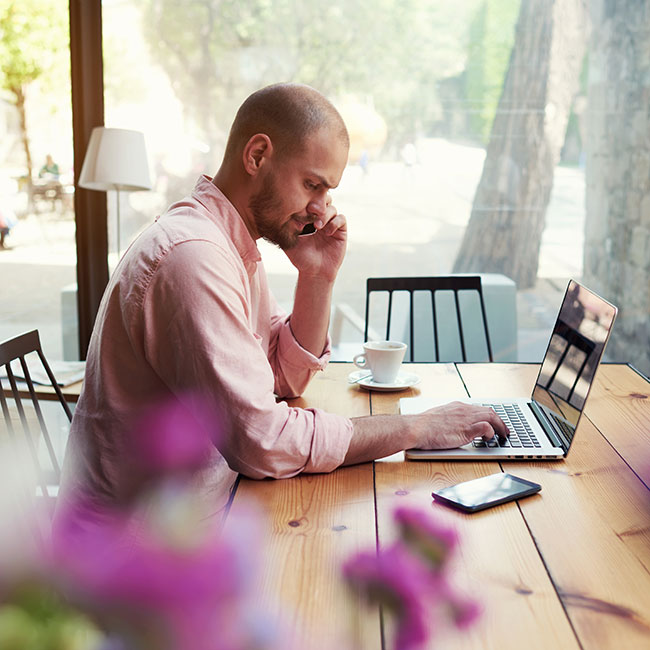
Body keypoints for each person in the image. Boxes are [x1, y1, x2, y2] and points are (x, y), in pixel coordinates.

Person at [57, 83, 506, 517]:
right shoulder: (194, 258)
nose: (322, 208)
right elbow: (261, 440)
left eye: (328, 191)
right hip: (130, 565)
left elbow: (280, 378)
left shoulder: (229, 246)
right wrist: (417, 428)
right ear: (257, 156)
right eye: (313, 184)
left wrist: (316, 276)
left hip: (198, 521)